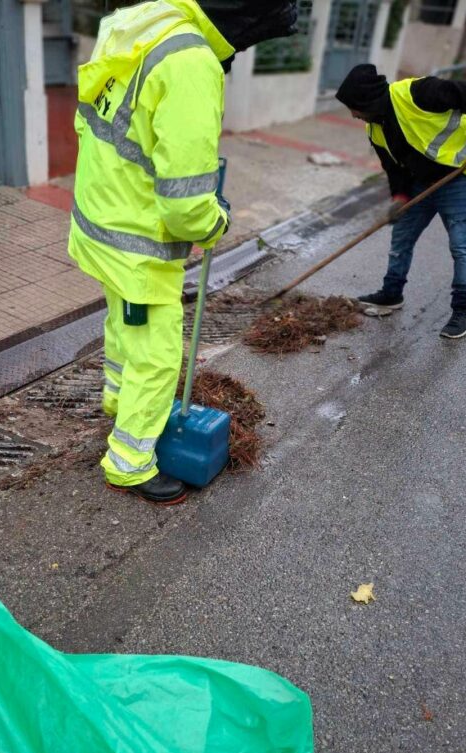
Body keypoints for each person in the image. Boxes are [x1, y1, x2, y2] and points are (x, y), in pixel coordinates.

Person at [68, 0, 297, 503]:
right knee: (157, 355)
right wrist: (215, 222)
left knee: (124, 324)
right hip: (136, 241)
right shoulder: (191, 62)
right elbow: (187, 206)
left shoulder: (143, 26)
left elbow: (94, 122)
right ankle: (129, 462)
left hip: (100, 221)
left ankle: (116, 401)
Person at [335, 63, 466, 340]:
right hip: (420, 183)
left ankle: (463, 308)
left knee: (462, 245)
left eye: (354, 107)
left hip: (458, 178)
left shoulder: (419, 92)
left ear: (369, 100)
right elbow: (394, 167)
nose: (353, 115)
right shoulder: (375, 129)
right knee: (402, 237)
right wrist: (399, 197)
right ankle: (391, 293)